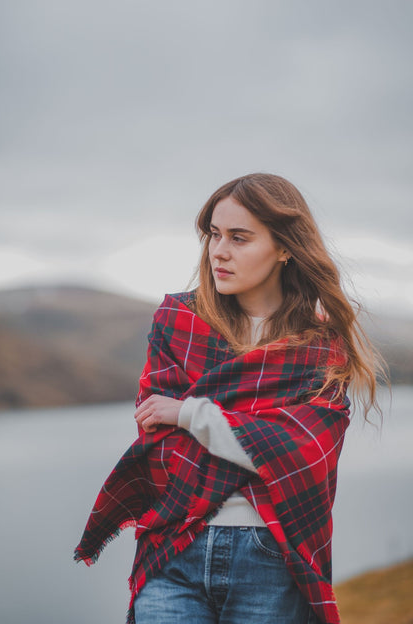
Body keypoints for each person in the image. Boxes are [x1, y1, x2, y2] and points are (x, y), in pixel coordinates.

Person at [75, 173, 382, 624]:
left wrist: (190, 412)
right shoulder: (178, 325)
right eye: (214, 235)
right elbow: (160, 443)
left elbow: (306, 455)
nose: (218, 251)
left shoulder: (319, 347)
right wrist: (259, 439)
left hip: (271, 557)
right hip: (172, 549)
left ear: (284, 248)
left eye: (239, 238)